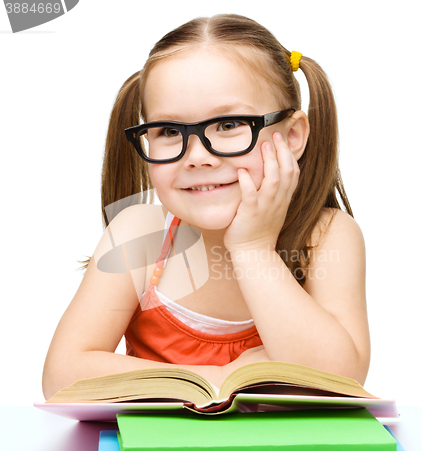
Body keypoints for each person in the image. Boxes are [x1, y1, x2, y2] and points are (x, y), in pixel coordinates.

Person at [42, 14, 370, 400]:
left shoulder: (326, 235)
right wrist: (223, 379)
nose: (197, 157)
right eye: (169, 131)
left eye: (230, 124)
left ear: (293, 135)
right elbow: (62, 377)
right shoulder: (140, 234)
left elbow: (337, 380)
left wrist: (252, 248)